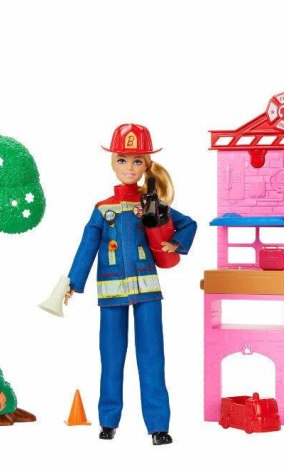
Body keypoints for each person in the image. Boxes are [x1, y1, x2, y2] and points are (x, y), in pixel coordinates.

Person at [65, 124, 196, 445]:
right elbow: (87, 246)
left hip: (147, 292)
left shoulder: (152, 204)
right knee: (111, 358)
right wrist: (73, 282)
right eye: (122, 160)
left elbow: (188, 224)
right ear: (113, 162)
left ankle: (158, 426)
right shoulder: (102, 208)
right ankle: (108, 421)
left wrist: (176, 243)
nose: (129, 168)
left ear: (147, 164)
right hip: (111, 294)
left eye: (137, 161)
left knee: (152, 357)